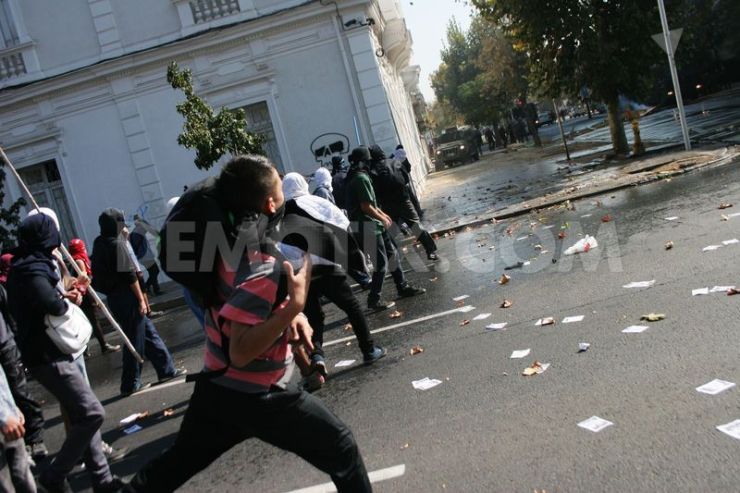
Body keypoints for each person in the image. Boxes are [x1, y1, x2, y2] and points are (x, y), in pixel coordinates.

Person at [129, 155, 372, 492]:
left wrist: (291, 313)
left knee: (170, 468)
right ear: (271, 204)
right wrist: (294, 306)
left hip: (216, 388)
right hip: (255, 392)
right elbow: (241, 351)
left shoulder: (223, 248)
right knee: (342, 447)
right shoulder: (259, 264)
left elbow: (243, 303)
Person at [6, 213, 124, 493]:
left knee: (82, 414)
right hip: (48, 355)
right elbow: (51, 303)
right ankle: (54, 475)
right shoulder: (31, 268)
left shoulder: (28, 264)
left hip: (50, 352)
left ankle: (103, 480)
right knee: (92, 413)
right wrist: (64, 300)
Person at [281, 173, 385, 384]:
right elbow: (342, 224)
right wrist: (354, 257)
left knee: (313, 316)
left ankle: (317, 357)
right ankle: (368, 349)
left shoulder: (280, 213)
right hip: (326, 265)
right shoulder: (315, 202)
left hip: (300, 271)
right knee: (352, 307)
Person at [90, 209, 184, 396]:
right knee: (134, 339)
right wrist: (141, 299)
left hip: (115, 297)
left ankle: (166, 369)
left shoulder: (99, 243)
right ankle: (130, 383)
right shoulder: (117, 244)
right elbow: (130, 276)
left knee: (148, 333)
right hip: (127, 297)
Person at [346, 146, 426, 310]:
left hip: (372, 225)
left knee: (392, 254)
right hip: (367, 227)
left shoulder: (356, 176)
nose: (369, 164)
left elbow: (372, 203)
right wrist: (382, 217)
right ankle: (374, 299)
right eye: (367, 161)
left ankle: (402, 287)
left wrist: (383, 215)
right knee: (381, 263)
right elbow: (366, 206)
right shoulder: (360, 178)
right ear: (363, 162)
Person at [0, 281, 48, 462]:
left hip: (5, 346)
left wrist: (16, 341)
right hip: (7, 344)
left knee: (19, 391)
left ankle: (35, 439)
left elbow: (8, 310)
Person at [368, 145, 438, 261]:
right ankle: (431, 251)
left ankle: (395, 258)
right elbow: (406, 179)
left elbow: (373, 189)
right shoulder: (395, 162)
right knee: (416, 226)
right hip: (403, 200)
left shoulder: (372, 169)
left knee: (389, 232)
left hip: (387, 205)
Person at [68, 239, 121, 355]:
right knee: (93, 320)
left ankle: (85, 348)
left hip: (83, 294)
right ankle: (103, 346)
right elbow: (84, 278)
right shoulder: (79, 260)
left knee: (85, 320)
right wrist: (93, 296)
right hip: (85, 294)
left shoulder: (73, 260)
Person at [0, 363, 36, 493]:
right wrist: (2, 416)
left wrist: (11, 406)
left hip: (9, 416)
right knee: (5, 486)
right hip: (5, 419)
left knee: (24, 478)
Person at [129, 219, 162, 297]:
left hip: (142, 256)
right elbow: (153, 231)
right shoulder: (140, 229)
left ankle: (153, 289)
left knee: (153, 272)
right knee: (155, 271)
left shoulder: (135, 231)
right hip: (146, 256)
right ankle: (149, 287)